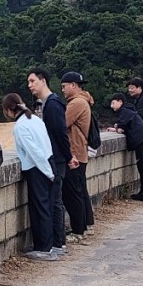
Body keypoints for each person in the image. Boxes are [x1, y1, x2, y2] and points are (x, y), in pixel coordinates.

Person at [2, 93, 57, 261]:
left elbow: (34, 152)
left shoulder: (20, 127)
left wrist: (47, 172)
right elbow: (45, 145)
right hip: (48, 162)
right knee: (47, 206)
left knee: (40, 208)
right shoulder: (35, 119)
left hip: (38, 169)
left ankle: (44, 248)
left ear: (9, 110)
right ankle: (48, 245)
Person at [29, 68, 76, 257]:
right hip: (56, 158)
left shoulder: (53, 104)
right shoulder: (49, 103)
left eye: (32, 81)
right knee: (55, 201)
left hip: (56, 160)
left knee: (54, 201)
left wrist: (68, 156)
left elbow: (60, 133)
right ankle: (58, 243)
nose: (30, 85)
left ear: (42, 81)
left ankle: (56, 244)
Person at [61, 71, 95, 242]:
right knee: (80, 190)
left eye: (64, 86)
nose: (63, 90)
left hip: (75, 152)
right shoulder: (84, 100)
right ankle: (86, 224)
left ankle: (78, 230)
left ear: (73, 85)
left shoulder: (76, 103)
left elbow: (61, 123)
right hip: (81, 151)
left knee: (72, 193)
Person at [107, 93, 143, 202]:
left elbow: (121, 126)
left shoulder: (124, 111)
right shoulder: (129, 111)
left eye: (113, 103)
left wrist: (117, 128)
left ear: (120, 101)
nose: (111, 106)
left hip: (142, 140)